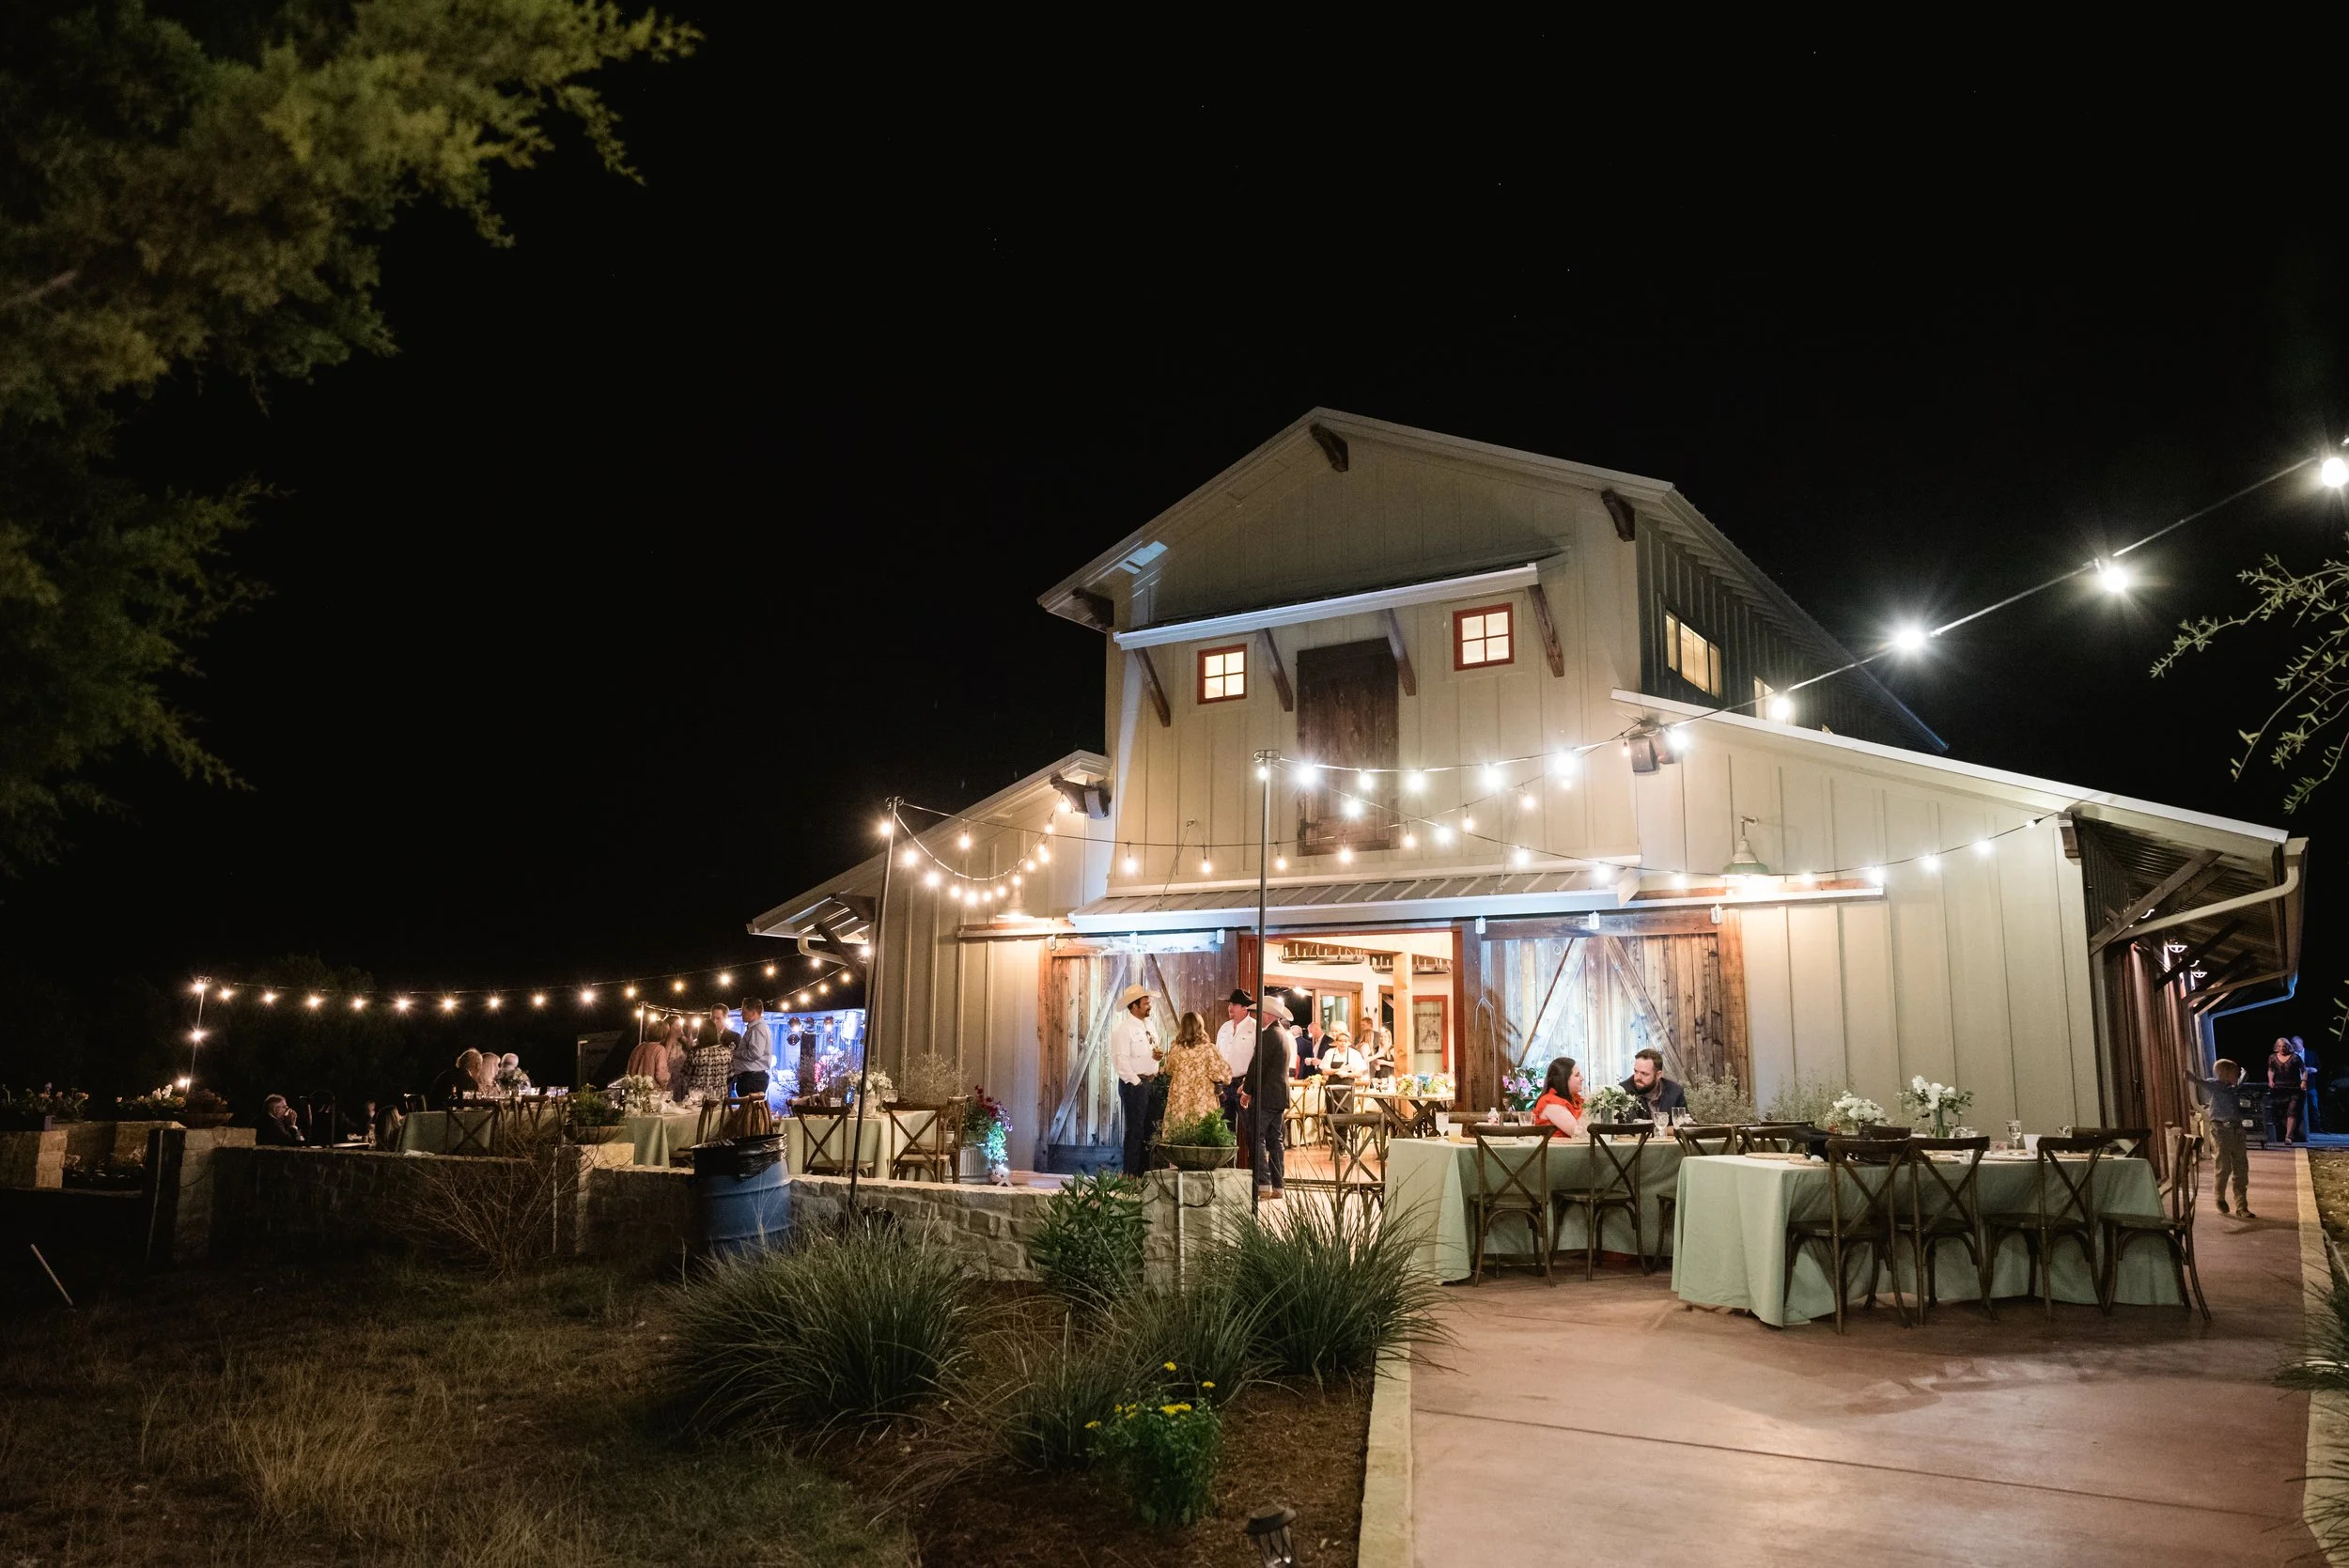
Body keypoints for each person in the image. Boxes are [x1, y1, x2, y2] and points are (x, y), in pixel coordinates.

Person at [1239, 995, 1293, 1199]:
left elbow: (1257, 1066)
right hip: (1279, 1096)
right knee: (1275, 1140)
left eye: (1260, 1013)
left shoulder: (1268, 1035)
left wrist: (1247, 1090)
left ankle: (1263, 1182)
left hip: (1266, 1096)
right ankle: (1279, 1185)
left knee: (1258, 1138)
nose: (1258, 1016)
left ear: (1268, 1014)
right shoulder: (1282, 1034)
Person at [2186, 1059, 2254, 1218]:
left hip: (2237, 1129)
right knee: (2224, 1166)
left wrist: (2242, 1072)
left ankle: (2242, 1206)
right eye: (2234, 1072)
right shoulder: (2215, 1085)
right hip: (2221, 1129)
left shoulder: (2234, 1088)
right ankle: (2219, 1197)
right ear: (2226, 1073)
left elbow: (2244, 1076)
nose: (2237, 1075)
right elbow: (2201, 1082)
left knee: (2241, 1167)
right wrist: (2192, 1078)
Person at [1111, 984, 1162, 1177]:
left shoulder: (1149, 1025)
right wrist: (1137, 1082)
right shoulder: (1123, 1030)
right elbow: (1120, 1060)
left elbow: (1150, 1049)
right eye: (1145, 1003)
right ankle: (1130, 1173)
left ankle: (1145, 1173)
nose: (1149, 1006)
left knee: (1149, 1130)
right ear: (1134, 1006)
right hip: (1135, 1085)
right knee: (1135, 1130)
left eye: (1149, 1002)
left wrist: (1157, 1059)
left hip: (1150, 1082)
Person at [1161, 1010, 1230, 1130]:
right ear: (1200, 1027)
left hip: (1180, 1100)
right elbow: (1224, 1074)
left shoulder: (1176, 1049)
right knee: (1202, 1135)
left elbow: (1169, 1069)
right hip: (1202, 1100)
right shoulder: (1209, 1050)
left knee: (1179, 1134)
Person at [1215, 989, 1256, 1124]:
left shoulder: (1256, 1028)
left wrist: (1248, 1084)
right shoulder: (1224, 1028)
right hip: (1224, 1084)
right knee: (1224, 1129)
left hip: (1243, 1084)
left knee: (1249, 1126)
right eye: (1229, 1004)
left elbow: (1258, 1060)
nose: (1230, 1008)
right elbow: (1217, 1055)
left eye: (1234, 1004)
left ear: (1245, 1007)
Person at [1620, 1048, 1687, 1120]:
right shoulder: (1624, 1091)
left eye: (1644, 1073)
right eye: (1636, 1071)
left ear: (1658, 1075)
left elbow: (1684, 1125)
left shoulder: (1675, 1092)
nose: (1637, 1077)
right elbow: (1631, 1127)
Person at [682, 1011, 732, 1102]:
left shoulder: (696, 1053)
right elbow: (730, 1074)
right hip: (720, 1097)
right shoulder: (726, 1052)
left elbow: (685, 1074)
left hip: (698, 1097)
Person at [2268, 1036, 2309, 1144]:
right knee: (2281, 1113)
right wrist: (2271, 1080)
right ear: (2277, 1047)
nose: (2282, 1048)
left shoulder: (2295, 1057)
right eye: (2280, 1046)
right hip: (2279, 1089)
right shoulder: (2272, 1058)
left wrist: (2303, 1081)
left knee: (2292, 1111)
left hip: (2294, 1088)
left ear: (2288, 1046)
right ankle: (2283, 1133)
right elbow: (2271, 1070)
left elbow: (2304, 1070)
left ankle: (2288, 1136)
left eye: (2284, 1046)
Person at [1532, 1057, 1586, 1138]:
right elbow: (1578, 1133)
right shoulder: (1551, 1103)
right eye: (1577, 1075)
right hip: (1557, 1149)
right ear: (1564, 1079)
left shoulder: (1575, 1099)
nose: (1582, 1078)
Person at [733, 997, 775, 1100]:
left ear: (753, 1013)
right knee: (751, 1112)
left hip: (752, 1079)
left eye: (744, 1011)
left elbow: (754, 1053)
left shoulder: (757, 1029)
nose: (741, 1014)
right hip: (752, 1078)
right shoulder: (757, 1028)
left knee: (749, 1113)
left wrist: (735, 1053)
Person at [627, 1017, 678, 1088]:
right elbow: (661, 1075)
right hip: (650, 1091)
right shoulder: (659, 1049)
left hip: (635, 1089)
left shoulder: (638, 1047)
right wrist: (668, 1076)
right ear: (664, 1034)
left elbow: (629, 1068)